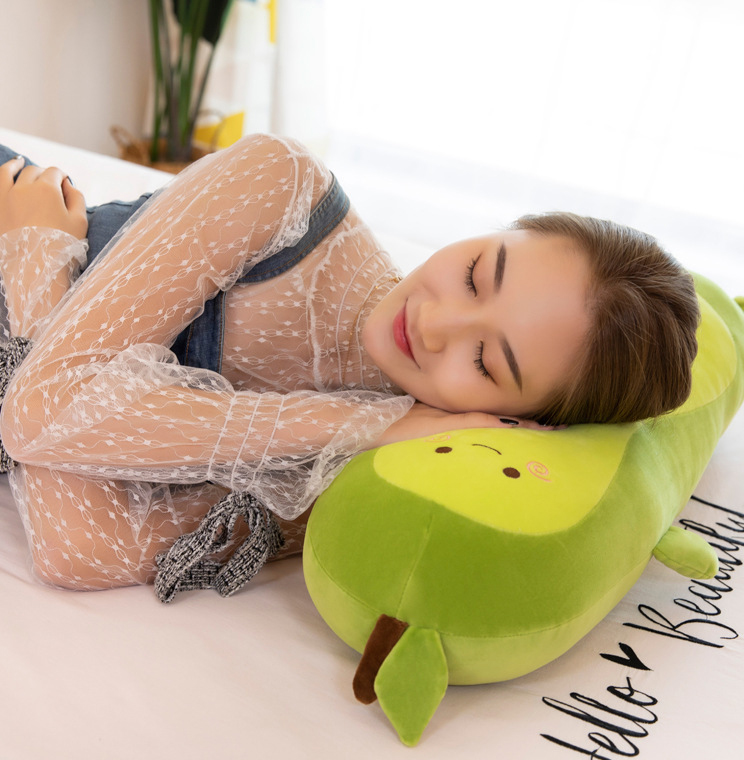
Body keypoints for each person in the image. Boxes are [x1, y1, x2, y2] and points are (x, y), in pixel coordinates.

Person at [0, 134, 699, 594]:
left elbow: (74, 547)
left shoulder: (378, 467)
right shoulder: (281, 188)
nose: (433, 323)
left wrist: (37, 262)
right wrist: (33, 242)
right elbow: (38, 412)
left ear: (518, 418)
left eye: (485, 361)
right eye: (477, 273)